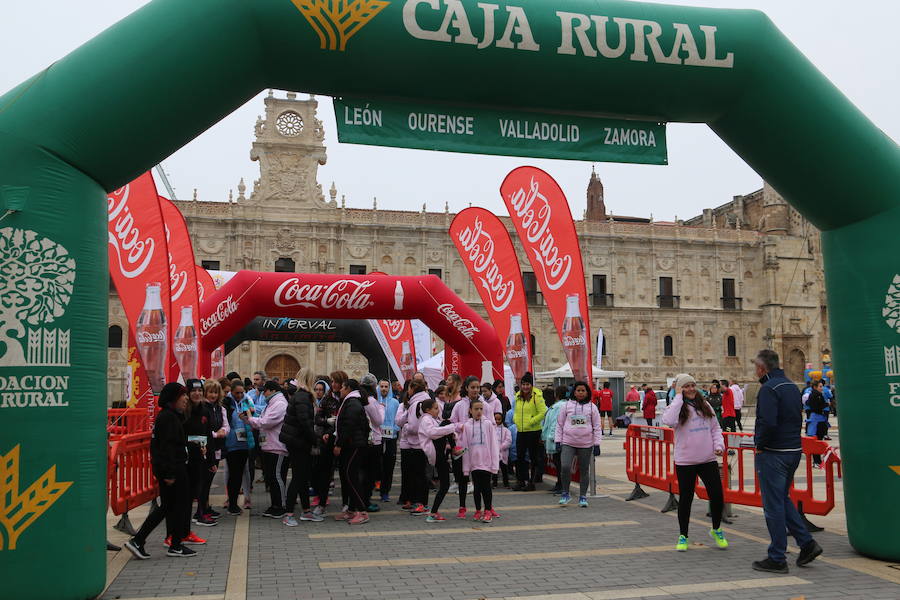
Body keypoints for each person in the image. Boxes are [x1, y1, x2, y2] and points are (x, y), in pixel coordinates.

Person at [752, 349, 822, 573]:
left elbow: (768, 422)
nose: (755, 371)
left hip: (774, 453)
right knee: (782, 499)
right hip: (793, 450)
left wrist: (760, 445)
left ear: (762, 368)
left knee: (773, 506)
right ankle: (807, 544)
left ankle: (777, 557)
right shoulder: (792, 385)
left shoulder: (768, 389)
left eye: (756, 367)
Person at [125, 383, 197, 559]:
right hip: (173, 470)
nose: (186, 398)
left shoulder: (172, 416)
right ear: (173, 398)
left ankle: (152, 541)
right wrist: (169, 473)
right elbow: (165, 449)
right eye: (183, 395)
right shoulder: (167, 418)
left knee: (169, 507)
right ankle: (168, 544)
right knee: (174, 506)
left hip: (174, 468)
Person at [661, 374, 728, 552]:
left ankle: (716, 529)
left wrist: (718, 445)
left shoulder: (704, 405)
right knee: (686, 498)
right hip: (686, 460)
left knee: (717, 495)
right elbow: (668, 421)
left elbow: (715, 428)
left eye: (692, 385)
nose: (690, 389)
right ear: (680, 389)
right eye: (686, 386)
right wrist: (677, 396)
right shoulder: (676, 407)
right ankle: (683, 535)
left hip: (707, 458)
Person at [279, 368, 322, 526]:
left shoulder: (301, 395)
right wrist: (315, 440)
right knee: (298, 478)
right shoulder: (303, 397)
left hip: (297, 441)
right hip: (299, 442)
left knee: (303, 478)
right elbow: (305, 423)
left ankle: (306, 511)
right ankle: (289, 513)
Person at [241, 380, 289, 519]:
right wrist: (247, 419)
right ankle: (274, 505)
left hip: (277, 446)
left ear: (273, 391)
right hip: (269, 445)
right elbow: (262, 420)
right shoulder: (272, 403)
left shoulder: (279, 404)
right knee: (271, 478)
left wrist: (250, 417)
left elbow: (266, 422)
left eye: (265, 391)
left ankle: (280, 506)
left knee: (277, 477)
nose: (263, 394)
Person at [555, 381, 602, 507]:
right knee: (565, 466)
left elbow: (597, 426)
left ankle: (582, 496)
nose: (580, 393)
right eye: (578, 390)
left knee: (584, 470)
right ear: (574, 392)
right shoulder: (566, 406)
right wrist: (558, 441)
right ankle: (565, 493)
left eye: (583, 390)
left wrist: (597, 444)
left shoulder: (592, 407)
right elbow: (559, 424)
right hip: (568, 442)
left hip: (586, 444)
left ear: (587, 392)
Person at [334, 379, 373, 524]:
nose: (340, 390)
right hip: (351, 445)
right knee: (348, 476)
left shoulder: (353, 403)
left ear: (348, 388)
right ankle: (350, 510)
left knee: (351, 477)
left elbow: (348, 426)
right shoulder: (350, 402)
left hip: (354, 445)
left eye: (342, 387)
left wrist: (339, 444)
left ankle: (362, 511)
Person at [457, 397, 499, 522]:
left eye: (481, 409)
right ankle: (477, 510)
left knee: (486, 487)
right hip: (474, 463)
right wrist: (466, 467)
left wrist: (494, 464)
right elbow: (465, 446)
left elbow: (493, 445)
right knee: (477, 488)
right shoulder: (467, 426)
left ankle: (487, 510)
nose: (479, 411)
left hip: (486, 462)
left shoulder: (488, 424)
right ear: (470, 410)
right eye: (476, 409)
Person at [183, 379, 217, 528]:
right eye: (193, 391)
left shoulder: (204, 410)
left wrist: (211, 460)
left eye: (199, 391)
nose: (197, 394)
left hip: (201, 455)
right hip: (185, 457)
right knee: (188, 490)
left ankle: (201, 514)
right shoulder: (183, 410)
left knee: (202, 485)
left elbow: (208, 435)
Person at [418, 398, 458, 522]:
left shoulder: (433, 419)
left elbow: (441, 432)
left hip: (439, 452)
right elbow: (432, 433)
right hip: (435, 453)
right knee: (445, 484)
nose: (438, 410)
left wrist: (451, 432)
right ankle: (433, 513)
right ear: (427, 410)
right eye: (435, 408)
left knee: (445, 484)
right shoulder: (426, 419)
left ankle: (434, 512)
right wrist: (452, 428)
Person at [450, 376, 484, 517]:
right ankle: (462, 507)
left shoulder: (483, 404)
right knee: (463, 479)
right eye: (473, 387)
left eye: (477, 387)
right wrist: (462, 426)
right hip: (462, 446)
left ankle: (483, 507)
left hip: (479, 446)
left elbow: (490, 422)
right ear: (466, 388)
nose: (475, 390)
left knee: (479, 478)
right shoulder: (459, 405)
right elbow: (452, 423)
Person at [396, 379, 431, 516]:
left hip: (418, 444)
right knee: (418, 474)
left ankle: (421, 503)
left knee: (419, 475)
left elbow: (415, 427)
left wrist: (405, 427)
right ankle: (419, 502)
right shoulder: (422, 402)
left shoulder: (417, 404)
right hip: (420, 443)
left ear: (413, 389)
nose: (408, 391)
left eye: (409, 388)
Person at [199, 380, 229, 521]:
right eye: (210, 392)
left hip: (216, 448)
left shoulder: (219, 408)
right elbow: (201, 430)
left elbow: (226, 425)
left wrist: (224, 431)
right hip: (206, 449)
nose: (213, 395)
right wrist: (217, 434)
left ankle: (205, 507)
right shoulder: (202, 408)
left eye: (215, 392)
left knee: (209, 480)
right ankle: (201, 511)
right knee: (204, 480)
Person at [512, 372, 546, 492]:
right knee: (520, 456)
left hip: (533, 431)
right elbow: (515, 411)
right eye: (523, 384)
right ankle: (521, 480)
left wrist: (531, 421)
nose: (525, 387)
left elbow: (543, 412)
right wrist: (515, 420)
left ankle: (532, 482)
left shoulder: (537, 396)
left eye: (528, 384)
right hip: (521, 430)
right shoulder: (517, 396)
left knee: (533, 457)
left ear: (531, 385)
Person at [224, 382, 254, 515]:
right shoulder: (227, 403)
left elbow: (252, 417)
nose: (240, 395)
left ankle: (233, 502)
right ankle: (232, 503)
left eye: (242, 392)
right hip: (231, 444)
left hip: (244, 443)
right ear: (232, 392)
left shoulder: (245, 402)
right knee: (234, 475)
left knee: (239, 473)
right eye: (237, 393)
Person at [312, 378, 340, 515]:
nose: (318, 392)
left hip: (334, 440)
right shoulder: (325, 400)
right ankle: (320, 497)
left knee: (330, 472)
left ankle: (327, 497)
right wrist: (326, 421)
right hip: (320, 440)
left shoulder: (341, 400)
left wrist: (328, 428)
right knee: (319, 471)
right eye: (316, 389)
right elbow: (317, 418)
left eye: (320, 389)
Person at [359, 373, 385, 512]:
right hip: (373, 441)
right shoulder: (370, 401)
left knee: (362, 472)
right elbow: (379, 421)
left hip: (361, 440)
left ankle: (359, 499)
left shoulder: (357, 398)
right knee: (370, 474)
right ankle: (365, 501)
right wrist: (381, 408)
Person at [377, 379, 400, 502]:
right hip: (377, 438)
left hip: (391, 438)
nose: (384, 389)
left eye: (386, 386)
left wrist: (395, 429)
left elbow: (398, 418)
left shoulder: (395, 402)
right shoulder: (374, 402)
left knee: (389, 465)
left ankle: (385, 492)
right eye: (382, 386)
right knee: (376, 465)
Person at [541, 387, 564, 494]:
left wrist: (550, 437)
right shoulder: (556, 407)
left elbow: (555, 423)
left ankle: (561, 484)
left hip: (556, 440)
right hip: (554, 439)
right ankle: (559, 483)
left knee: (559, 463)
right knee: (558, 463)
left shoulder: (558, 407)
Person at [806, 380, 829, 466]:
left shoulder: (815, 394)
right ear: (815, 387)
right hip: (817, 420)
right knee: (817, 439)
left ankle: (817, 460)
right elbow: (816, 407)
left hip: (817, 419)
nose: (821, 388)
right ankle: (816, 461)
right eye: (820, 386)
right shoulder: (816, 395)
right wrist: (825, 405)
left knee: (818, 439)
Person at [493, 412, 512, 489]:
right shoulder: (491, 429)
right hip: (494, 452)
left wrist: (501, 447)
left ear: (502, 420)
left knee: (504, 469)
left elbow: (508, 440)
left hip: (503, 452)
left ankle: (506, 483)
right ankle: (494, 483)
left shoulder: (506, 430)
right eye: (495, 419)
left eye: (499, 419)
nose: (497, 421)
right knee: (494, 469)